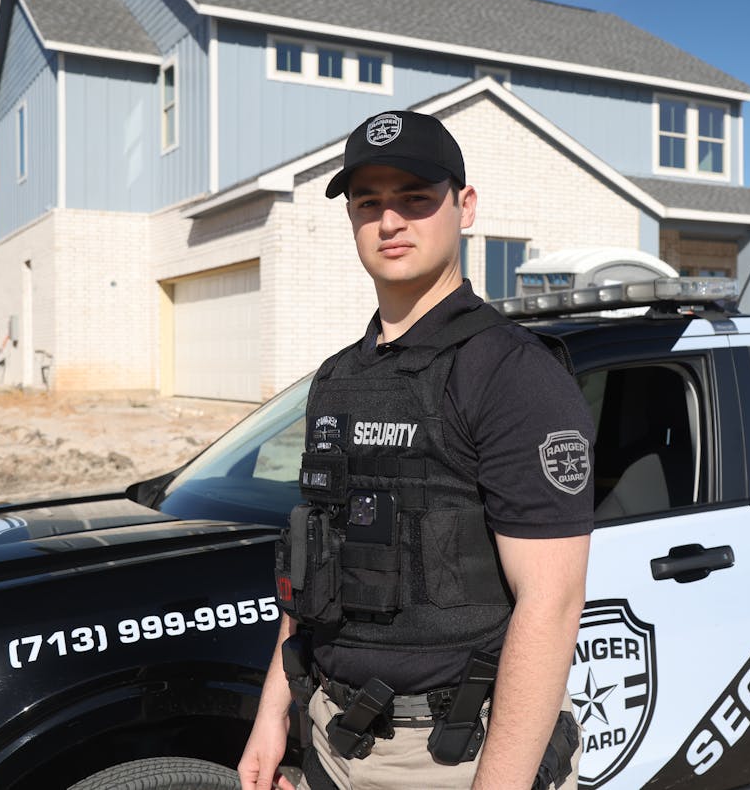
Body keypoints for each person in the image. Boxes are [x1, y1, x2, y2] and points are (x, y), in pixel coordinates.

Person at [237, 110, 594, 790]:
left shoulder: (512, 374)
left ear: (464, 207)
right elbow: (313, 563)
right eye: (368, 203)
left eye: (414, 197)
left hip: (456, 753)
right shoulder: (337, 380)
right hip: (333, 736)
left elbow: (551, 603)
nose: (389, 221)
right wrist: (273, 712)